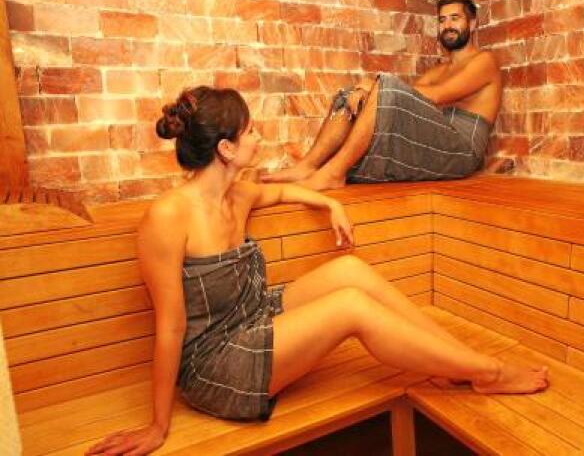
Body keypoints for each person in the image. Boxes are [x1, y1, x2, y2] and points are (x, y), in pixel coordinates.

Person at [86, 87, 547, 455]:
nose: (258, 137)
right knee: (350, 307)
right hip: (217, 364)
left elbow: (283, 193)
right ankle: (489, 372)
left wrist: (330, 204)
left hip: (253, 318)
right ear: (226, 148)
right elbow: (170, 327)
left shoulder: (237, 194)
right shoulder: (168, 217)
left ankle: (453, 363)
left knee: (349, 270)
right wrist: (157, 426)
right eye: (250, 131)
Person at [262, 0, 501, 190]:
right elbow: (409, 100)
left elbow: (436, 95)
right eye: (442, 20)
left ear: (472, 23)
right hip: (435, 145)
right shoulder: (438, 70)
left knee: (385, 87)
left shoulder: (484, 61)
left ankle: (334, 173)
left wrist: (377, 85)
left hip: (461, 153)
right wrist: (367, 90)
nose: (447, 25)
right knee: (351, 95)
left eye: (455, 18)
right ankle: (308, 165)